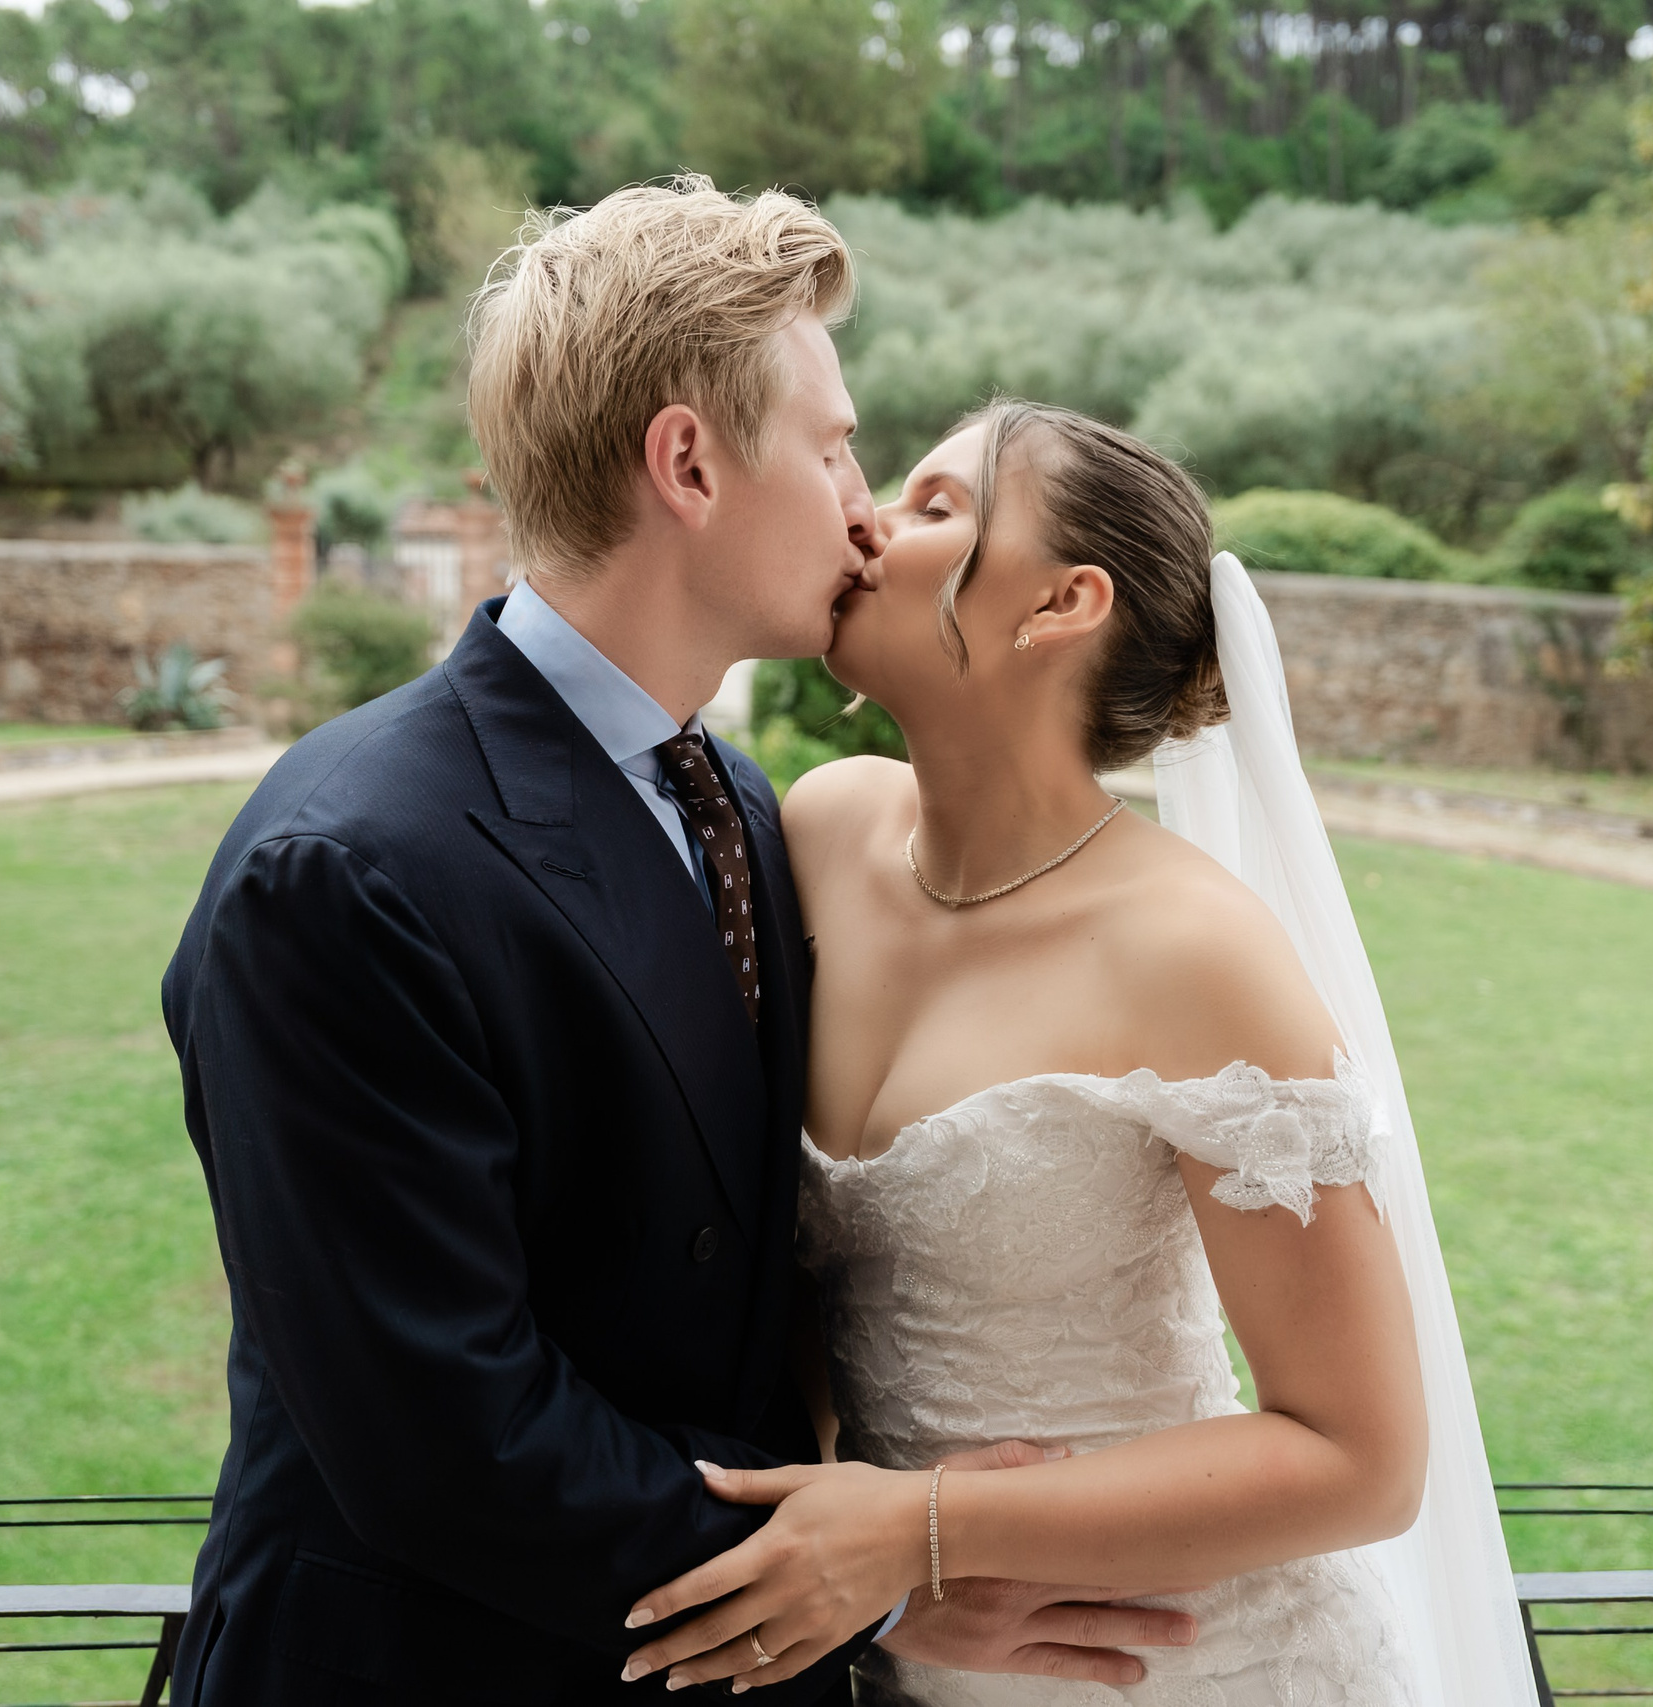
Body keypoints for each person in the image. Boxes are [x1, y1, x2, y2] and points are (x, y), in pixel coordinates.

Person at [158, 187, 1195, 1704]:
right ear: (690, 463)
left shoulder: (737, 800)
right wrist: (876, 1599)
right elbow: (448, 1437)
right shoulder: (345, 871)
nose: (863, 508)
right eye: (835, 444)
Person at [615, 402, 1539, 1706]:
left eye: (937, 507)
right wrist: (874, 1589)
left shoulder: (1191, 950)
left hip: (1186, 1666)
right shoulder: (820, 831)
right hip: (907, 1659)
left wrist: (920, 1527)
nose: (867, 517)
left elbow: (1361, 1457)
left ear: (1060, 604)